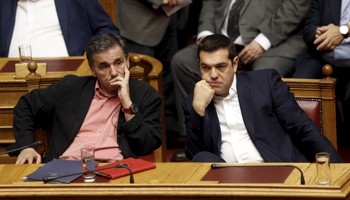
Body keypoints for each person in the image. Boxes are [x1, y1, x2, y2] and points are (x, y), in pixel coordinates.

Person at [171, 0, 310, 160]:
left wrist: (263, 41)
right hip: (223, 43)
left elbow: (296, 5)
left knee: (262, 76)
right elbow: (211, 3)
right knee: (181, 61)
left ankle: (258, 145)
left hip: (273, 41)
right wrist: (205, 35)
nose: (213, 75)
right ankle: (196, 138)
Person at [183, 34, 343, 163]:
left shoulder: (265, 82)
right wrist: (198, 110)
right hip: (228, 181)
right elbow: (196, 156)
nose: (212, 75)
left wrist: (339, 170)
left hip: (274, 171)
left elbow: (302, 127)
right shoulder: (194, 102)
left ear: (235, 64)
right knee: (202, 157)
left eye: (220, 67)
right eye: (206, 67)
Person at [6, 33, 162, 164]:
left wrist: (127, 104)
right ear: (93, 70)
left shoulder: (146, 95)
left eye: (119, 62)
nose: (114, 72)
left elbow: (146, 146)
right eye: (104, 66)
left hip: (115, 169)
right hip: (65, 167)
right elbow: (26, 104)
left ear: (127, 62)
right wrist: (26, 146)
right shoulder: (70, 87)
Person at [115, 0, 180, 144]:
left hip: (171, 14)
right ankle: (139, 138)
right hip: (139, 17)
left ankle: (168, 132)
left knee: (167, 76)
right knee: (138, 81)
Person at [293, 0, 350, 145]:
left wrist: (343, 31)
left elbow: (341, 31)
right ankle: (321, 146)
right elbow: (309, 29)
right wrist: (322, 35)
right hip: (322, 57)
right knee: (300, 88)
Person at [0, 0, 119, 58]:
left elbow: (108, 30)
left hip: (67, 83)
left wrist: (92, 52)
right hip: (10, 83)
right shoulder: (4, 4)